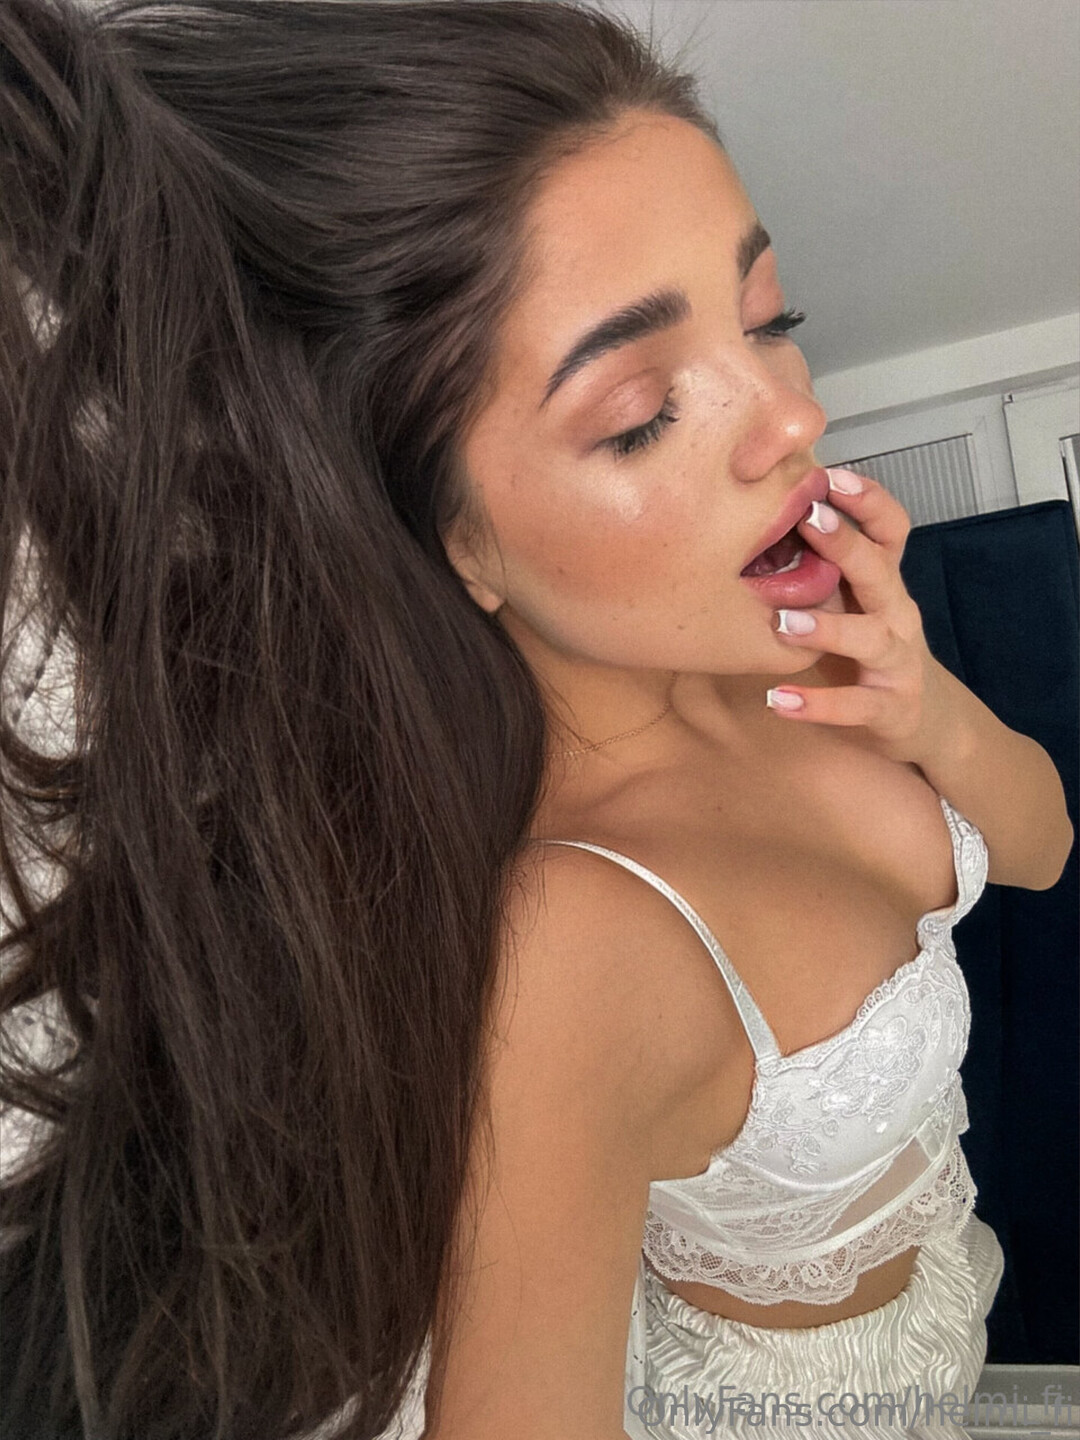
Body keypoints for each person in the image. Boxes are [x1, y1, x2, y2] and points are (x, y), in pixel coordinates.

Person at [0, 2, 1072, 1439]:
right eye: (639, 414)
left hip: (956, 1322)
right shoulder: (571, 946)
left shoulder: (807, 656)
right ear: (453, 538)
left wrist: (925, 704)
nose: (792, 422)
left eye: (770, 320)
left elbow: (1045, 848)